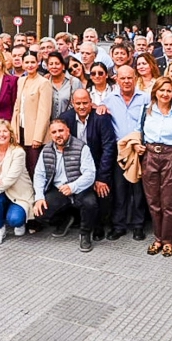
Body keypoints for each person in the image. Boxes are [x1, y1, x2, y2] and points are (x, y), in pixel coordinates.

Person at [137, 78, 172, 257]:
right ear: (155, 91)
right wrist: (137, 145)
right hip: (150, 156)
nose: (165, 94)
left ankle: (168, 240)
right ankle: (158, 239)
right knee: (153, 201)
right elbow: (138, 131)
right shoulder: (146, 110)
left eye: (169, 90)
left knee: (169, 202)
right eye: (161, 90)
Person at [32, 119, 99, 252]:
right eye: (54, 132)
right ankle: (65, 220)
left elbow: (90, 174)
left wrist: (73, 186)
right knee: (40, 212)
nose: (58, 134)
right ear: (50, 135)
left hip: (79, 187)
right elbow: (39, 175)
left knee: (90, 204)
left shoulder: (82, 147)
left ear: (68, 131)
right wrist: (39, 197)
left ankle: (85, 234)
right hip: (59, 189)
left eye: (61, 130)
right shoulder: (46, 150)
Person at [61, 88, 117, 239]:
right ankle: (74, 219)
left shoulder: (101, 118)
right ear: (73, 103)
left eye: (85, 103)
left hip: (98, 164)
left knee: (103, 191)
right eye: (78, 103)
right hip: (74, 166)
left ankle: (99, 225)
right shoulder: (66, 118)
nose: (81, 106)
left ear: (91, 102)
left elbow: (109, 147)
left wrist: (101, 177)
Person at [103, 65, 150, 241]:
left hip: (139, 149)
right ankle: (119, 226)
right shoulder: (109, 99)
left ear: (135, 78)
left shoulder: (146, 98)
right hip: (120, 151)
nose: (126, 81)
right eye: (122, 78)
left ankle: (138, 225)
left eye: (130, 77)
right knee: (119, 189)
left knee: (138, 191)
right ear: (117, 79)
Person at [0, 120, 35, 244]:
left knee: (15, 220)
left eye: (5, 131)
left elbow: (10, 179)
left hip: (18, 194)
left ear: (11, 134)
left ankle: (19, 220)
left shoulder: (18, 152)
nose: (2, 134)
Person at [11, 52, 54, 175]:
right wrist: (14, 131)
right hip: (21, 130)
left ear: (38, 63)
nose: (29, 65)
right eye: (27, 62)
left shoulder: (43, 82)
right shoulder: (21, 80)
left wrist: (38, 137)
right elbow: (17, 107)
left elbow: (44, 112)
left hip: (35, 133)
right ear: (22, 64)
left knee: (34, 167)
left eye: (32, 62)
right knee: (21, 166)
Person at [45, 51, 84, 120]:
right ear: (47, 67)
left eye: (57, 64)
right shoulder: (45, 82)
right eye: (51, 64)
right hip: (50, 124)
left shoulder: (74, 82)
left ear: (63, 66)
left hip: (69, 122)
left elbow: (81, 104)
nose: (54, 66)